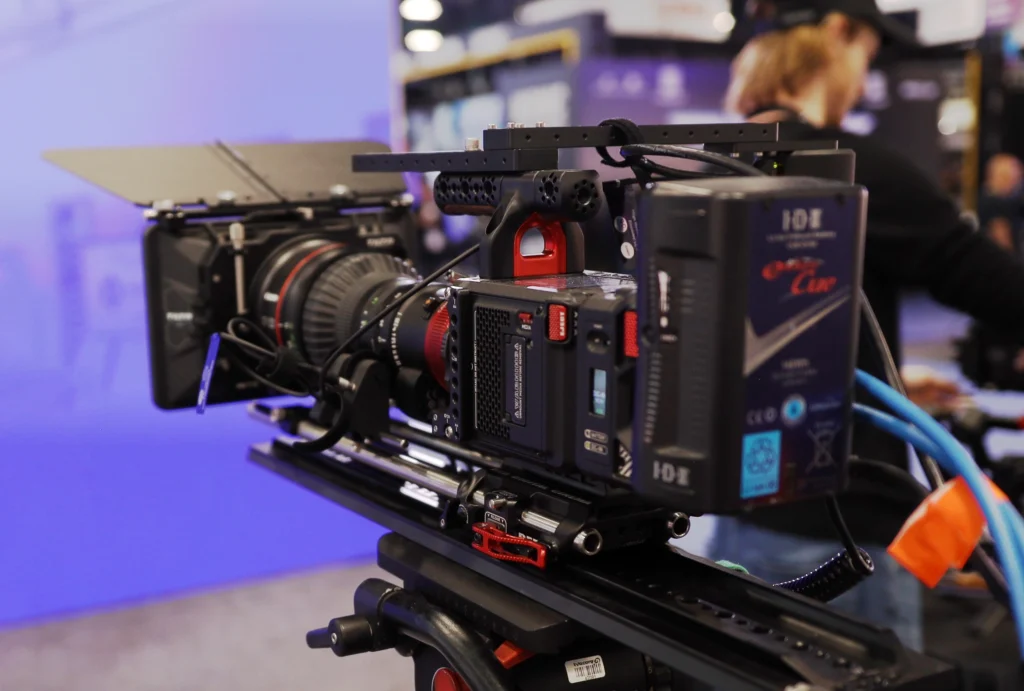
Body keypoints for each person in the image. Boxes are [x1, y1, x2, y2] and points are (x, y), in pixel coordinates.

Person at [709, 0, 1024, 651]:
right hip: (845, 532)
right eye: (865, 58)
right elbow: (990, 282)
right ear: (838, 33)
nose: (860, 82)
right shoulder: (848, 169)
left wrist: (882, 379)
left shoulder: (713, 166)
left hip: (734, 522)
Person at [978, 153, 1024, 256]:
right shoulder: (994, 204)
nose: (1016, 183)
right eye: (1012, 178)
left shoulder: (1011, 201)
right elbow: (1003, 245)